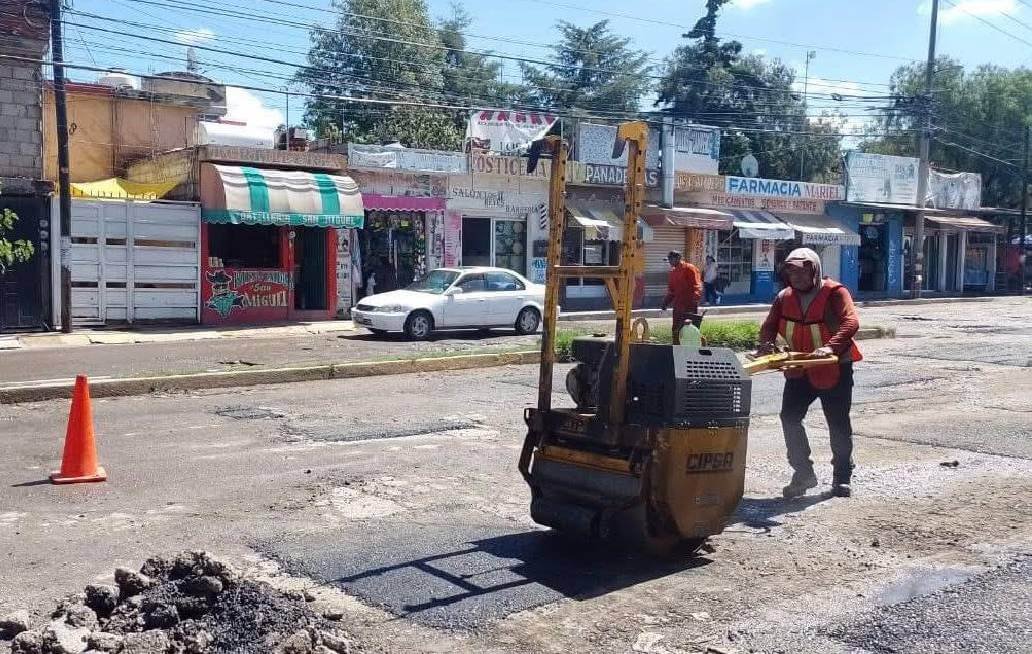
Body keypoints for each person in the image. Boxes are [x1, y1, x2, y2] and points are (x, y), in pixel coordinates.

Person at [758, 248, 863, 499]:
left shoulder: (835, 293)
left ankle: (842, 478)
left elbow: (852, 323)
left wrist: (830, 346)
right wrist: (765, 345)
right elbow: (769, 326)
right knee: (789, 418)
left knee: (837, 423)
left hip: (834, 367)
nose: (797, 277)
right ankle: (803, 473)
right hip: (800, 369)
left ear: (814, 270)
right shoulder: (783, 297)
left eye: (803, 272)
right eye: (792, 272)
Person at [660, 251, 702, 345]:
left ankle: (691, 350)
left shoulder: (689, 268)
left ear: (678, 258)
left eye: (672, 259)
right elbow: (671, 291)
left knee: (689, 329)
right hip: (678, 306)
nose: (670, 262)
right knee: (676, 329)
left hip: (689, 304)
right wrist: (665, 303)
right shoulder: (672, 272)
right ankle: (676, 349)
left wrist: (695, 298)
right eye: (669, 259)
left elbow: (697, 285)